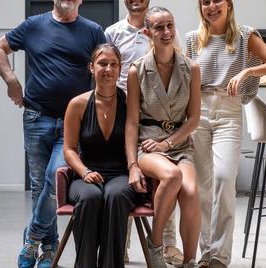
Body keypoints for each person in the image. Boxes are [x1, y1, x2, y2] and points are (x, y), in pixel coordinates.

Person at [0, 0, 106, 267]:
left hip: (73, 122)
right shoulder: (33, 25)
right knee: (41, 186)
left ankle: (31, 238)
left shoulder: (92, 30)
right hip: (36, 116)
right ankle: (49, 248)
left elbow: (106, 66)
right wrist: (11, 80)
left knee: (55, 180)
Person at [185, 0, 266, 267]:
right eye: (205, 2)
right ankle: (207, 254)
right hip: (199, 112)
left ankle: (220, 255)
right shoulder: (193, 39)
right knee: (202, 187)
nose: (211, 6)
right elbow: (187, 81)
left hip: (228, 111)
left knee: (224, 177)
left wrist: (248, 70)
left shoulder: (245, 36)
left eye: (216, 0)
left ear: (228, 5)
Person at [105, 1, 184, 265]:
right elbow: (108, 67)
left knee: (165, 179)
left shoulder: (165, 30)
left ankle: (168, 244)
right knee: (128, 177)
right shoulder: (113, 32)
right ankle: (123, 245)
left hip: (157, 118)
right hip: (124, 115)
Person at [125, 6, 202, 268]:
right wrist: (132, 163)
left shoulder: (191, 68)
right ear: (148, 32)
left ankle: (190, 261)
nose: (166, 31)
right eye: (159, 27)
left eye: (170, 25)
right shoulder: (137, 71)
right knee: (172, 175)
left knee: (191, 192)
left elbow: (193, 119)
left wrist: (168, 142)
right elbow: (132, 122)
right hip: (148, 144)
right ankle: (156, 244)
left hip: (180, 143)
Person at [64, 43, 143, 268]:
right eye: (102, 63)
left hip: (120, 173)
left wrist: (134, 166)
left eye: (114, 64)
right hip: (85, 174)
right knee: (90, 197)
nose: (108, 69)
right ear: (91, 67)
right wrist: (84, 172)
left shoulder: (130, 103)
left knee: (116, 196)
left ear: (120, 69)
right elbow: (69, 149)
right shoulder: (77, 104)